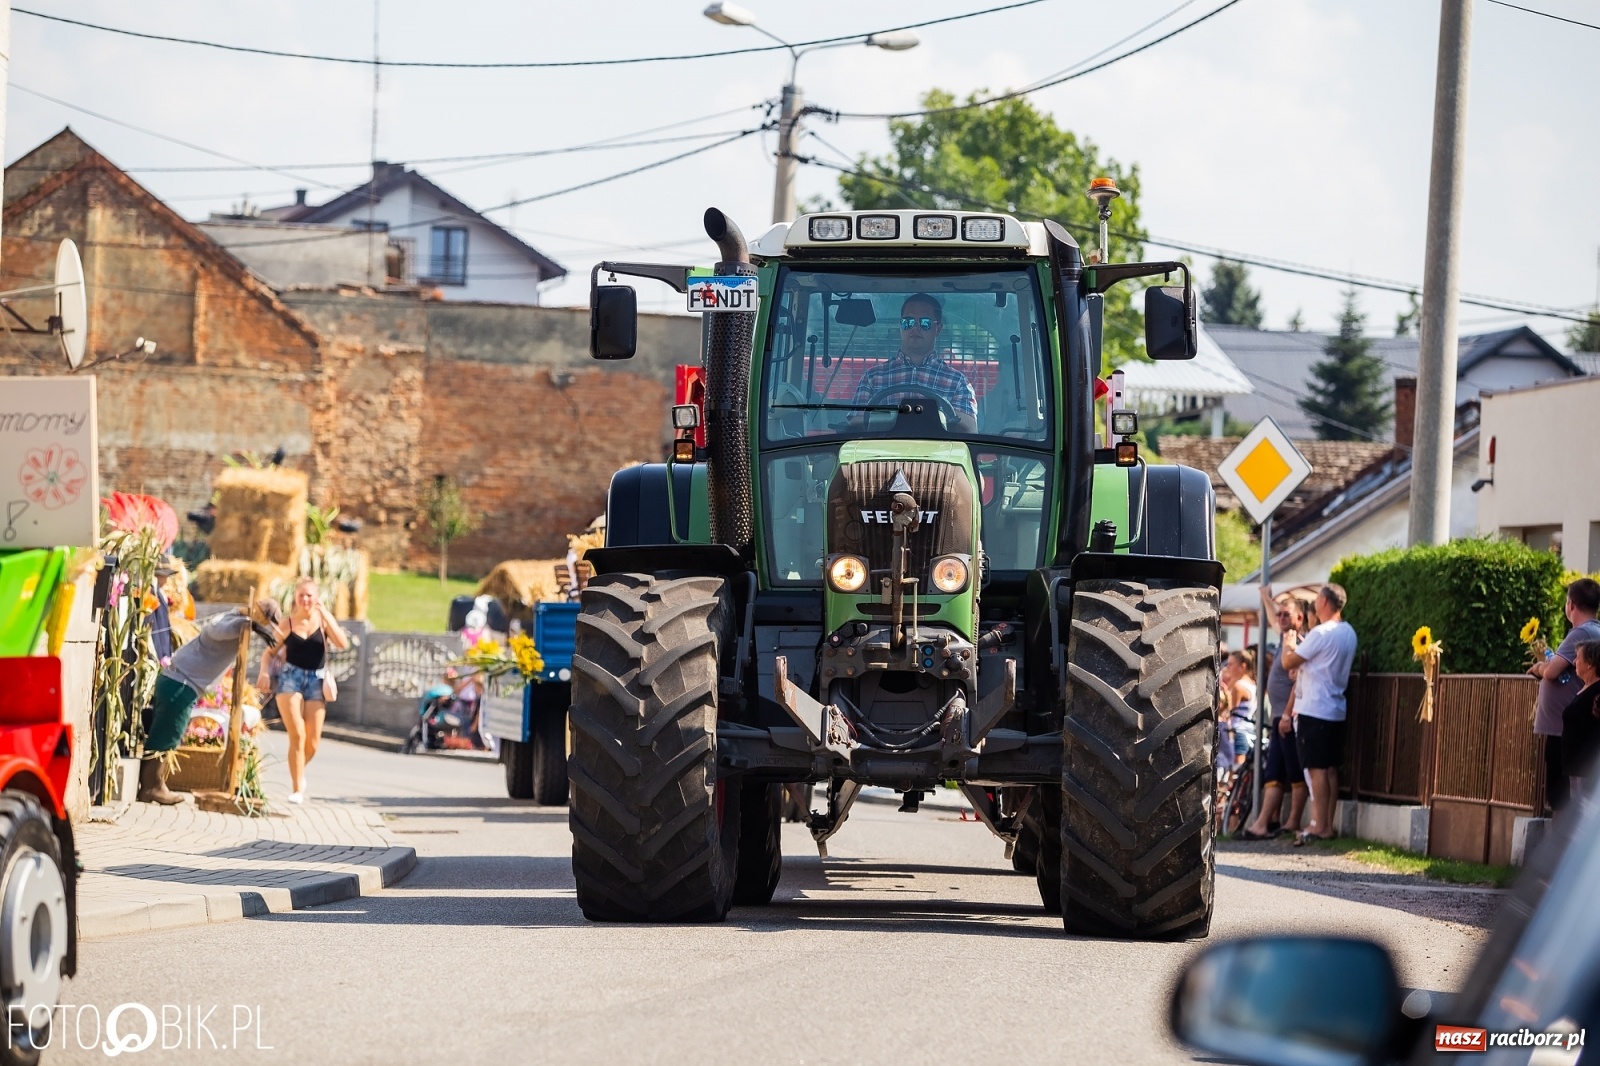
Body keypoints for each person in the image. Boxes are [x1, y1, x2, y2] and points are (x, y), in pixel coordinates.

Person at [139, 598, 282, 804]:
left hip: (179, 682)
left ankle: (155, 785)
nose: (266, 626)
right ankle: (152, 788)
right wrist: (249, 624)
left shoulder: (235, 617)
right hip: (180, 683)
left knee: (168, 733)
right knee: (166, 735)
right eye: (266, 621)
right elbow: (217, 630)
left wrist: (252, 626)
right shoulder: (231, 621)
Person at [259, 579, 350, 804]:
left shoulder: (323, 622)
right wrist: (264, 673)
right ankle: (297, 788)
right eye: (301, 596)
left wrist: (326, 615)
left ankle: (298, 771)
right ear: (295, 598)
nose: (305, 600)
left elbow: (342, 643)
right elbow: (269, 653)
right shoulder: (287, 623)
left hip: (316, 681)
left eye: (309, 595)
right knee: (297, 734)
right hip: (290, 678)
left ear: (316, 598)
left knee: (313, 742)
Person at [1281, 583, 1358, 844]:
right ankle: (1327, 823)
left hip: (1315, 708)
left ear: (1324, 602)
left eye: (1317, 600)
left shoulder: (1321, 633)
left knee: (1316, 769)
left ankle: (1318, 824)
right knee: (1330, 769)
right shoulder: (1348, 632)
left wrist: (1288, 645)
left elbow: (1288, 662)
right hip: (1335, 706)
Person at [851, 294, 978, 432]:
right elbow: (856, 429)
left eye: (925, 323)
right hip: (881, 453)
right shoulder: (872, 378)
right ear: (900, 326)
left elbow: (967, 432)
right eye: (908, 322)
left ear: (938, 328)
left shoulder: (958, 383)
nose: (915, 328)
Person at [1240, 595, 1312, 840]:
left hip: (1288, 718)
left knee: (1294, 771)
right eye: (1279, 614)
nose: (1280, 618)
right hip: (1279, 717)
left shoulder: (1299, 644)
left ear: (1299, 618)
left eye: (1286, 614)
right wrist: (1264, 594)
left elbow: (1297, 682)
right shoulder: (1285, 639)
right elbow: (1273, 618)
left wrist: (1287, 715)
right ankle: (1265, 823)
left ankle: (1291, 822)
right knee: (1273, 772)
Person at [1529, 578, 1600, 813]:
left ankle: (1563, 845)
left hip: (1564, 730)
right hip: (1567, 727)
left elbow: (1551, 671)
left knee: (1562, 796)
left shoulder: (1580, 633)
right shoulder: (1594, 630)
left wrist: (1538, 668)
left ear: (1570, 605)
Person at [1560, 641, 1600, 800]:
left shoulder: (1597, 692)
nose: (1575, 662)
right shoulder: (1587, 687)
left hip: (1588, 768)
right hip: (1577, 768)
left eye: (1578, 658)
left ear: (1590, 663)